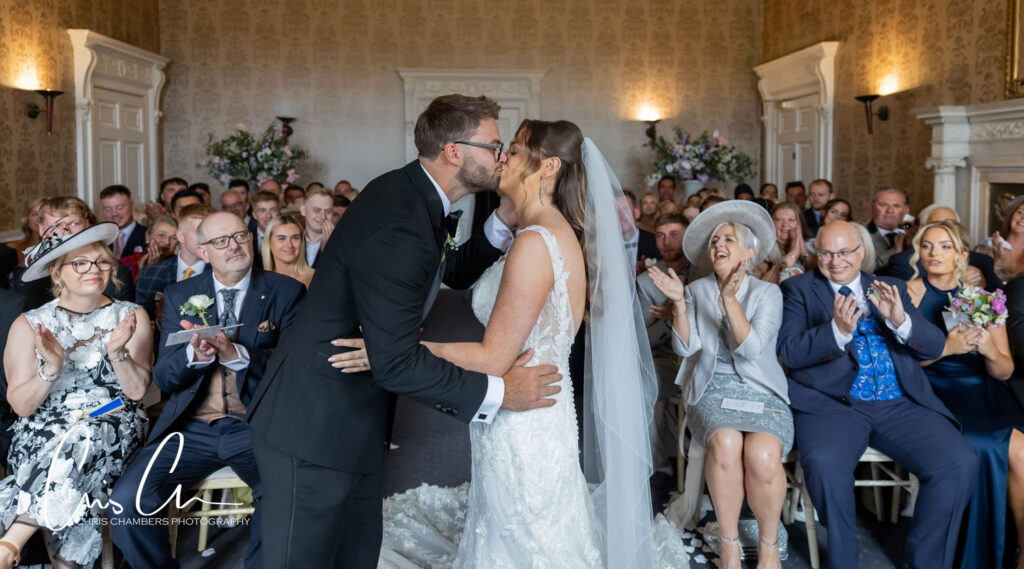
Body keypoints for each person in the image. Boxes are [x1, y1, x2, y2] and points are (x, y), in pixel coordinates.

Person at [245, 94, 562, 569]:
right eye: (494, 145)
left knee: (355, 554)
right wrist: (500, 392)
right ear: (454, 151)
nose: (501, 157)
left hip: (351, 416)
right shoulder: (403, 220)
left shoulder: (409, 192)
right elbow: (394, 361)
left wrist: (502, 224)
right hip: (312, 424)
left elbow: (443, 270)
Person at [777, 220, 977, 569]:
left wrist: (901, 320)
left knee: (959, 462)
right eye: (825, 253)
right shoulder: (798, 289)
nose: (835, 260)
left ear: (861, 252)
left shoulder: (891, 286)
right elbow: (790, 352)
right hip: (832, 406)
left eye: (843, 252)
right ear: (815, 252)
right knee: (825, 466)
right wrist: (836, 331)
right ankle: (844, 563)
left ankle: (925, 563)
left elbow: (932, 344)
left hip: (898, 403)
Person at [110, 212, 304, 569]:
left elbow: (296, 369)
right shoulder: (181, 294)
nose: (233, 246)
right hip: (191, 428)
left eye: (239, 236)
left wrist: (237, 354)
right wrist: (193, 356)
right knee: (128, 501)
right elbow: (166, 378)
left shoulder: (286, 291)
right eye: (220, 241)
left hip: (257, 426)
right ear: (202, 250)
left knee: (283, 498)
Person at [0, 222, 151, 568]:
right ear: (57, 272)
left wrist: (117, 353)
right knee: (67, 462)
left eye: (100, 262)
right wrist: (50, 369)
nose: (93, 270)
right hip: (43, 434)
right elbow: (22, 407)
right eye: (80, 263)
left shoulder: (131, 317)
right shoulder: (29, 324)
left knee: (82, 436)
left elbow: (136, 392)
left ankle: (10, 544)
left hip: (112, 423)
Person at [650, 200, 791, 569]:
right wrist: (680, 302)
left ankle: (769, 548)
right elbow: (686, 347)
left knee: (762, 455)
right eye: (714, 241)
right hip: (712, 389)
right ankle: (728, 545)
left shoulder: (768, 293)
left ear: (748, 251)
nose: (718, 246)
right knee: (726, 442)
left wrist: (729, 299)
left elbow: (751, 349)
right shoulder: (695, 290)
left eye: (727, 239)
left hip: (763, 393)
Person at [904, 220, 1023, 569]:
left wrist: (987, 348)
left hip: (981, 389)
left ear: (961, 254)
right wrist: (947, 347)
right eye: (927, 246)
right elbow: (899, 365)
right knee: (979, 444)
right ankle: (967, 553)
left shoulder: (982, 299)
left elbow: (1005, 369)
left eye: (944, 246)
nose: (934, 253)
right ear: (918, 251)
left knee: (1021, 451)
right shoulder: (906, 294)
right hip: (928, 391)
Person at [637, 212, 690, 469]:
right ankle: (655, 467)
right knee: (641, 381)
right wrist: (670, 319)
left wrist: (681, 308)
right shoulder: (646, 282)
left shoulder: (705, 270)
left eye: (674, 235)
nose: (667, 242)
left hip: (703, 359)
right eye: (660, 235)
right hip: (668, 360)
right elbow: (643, 339)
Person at [13, 197, 135, 308]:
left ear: (87, 224)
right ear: (41, 229)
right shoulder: (27, 280)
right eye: (55, 226)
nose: (66, 232)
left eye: (74, 223)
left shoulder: (110, 272)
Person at [882, 207, 999, 289]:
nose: (944, 229)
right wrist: (953, 283)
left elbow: (1003, 300)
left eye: (951, 224)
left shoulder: (982, 261)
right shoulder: (902, 262)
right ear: (922, 228)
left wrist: (982, 283)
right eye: (937, 224)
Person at [135, 204, 214, 321]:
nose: (206, 239)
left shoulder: (221, 272)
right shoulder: (150, 274)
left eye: (210, 232)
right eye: (199, 232)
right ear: (180, 236)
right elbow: (144, 324)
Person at [261, 215, 315, 289]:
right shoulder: (259, 282)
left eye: (295, 238)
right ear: (269, 242)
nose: (289, 245)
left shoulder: (315, 278)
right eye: (281, 238)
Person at [867, 186, 911, 272]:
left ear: (906, 210)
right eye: (883, 205)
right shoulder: (858, 233)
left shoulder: (913, 234)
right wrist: (895, 251)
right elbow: (862, 269)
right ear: (872, 207)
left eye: (896, 206)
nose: (890, 210)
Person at [989, 196, 1024, 283]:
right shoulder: (989, 245)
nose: (1023, 217)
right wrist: (996, 266)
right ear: (1011, 215)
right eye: (1020, 212)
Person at [298, 187, 335, 268]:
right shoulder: (291, 240)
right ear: (303, 210)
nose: (323, 216)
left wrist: (329, 249)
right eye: (317, 210)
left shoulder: (341, 243)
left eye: (328, 211)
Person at [6, 198, 44, 265]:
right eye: (35, 214)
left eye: (43, 214)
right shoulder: (11, 250)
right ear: (27, 219)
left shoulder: (62, 248)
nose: (39, 219)